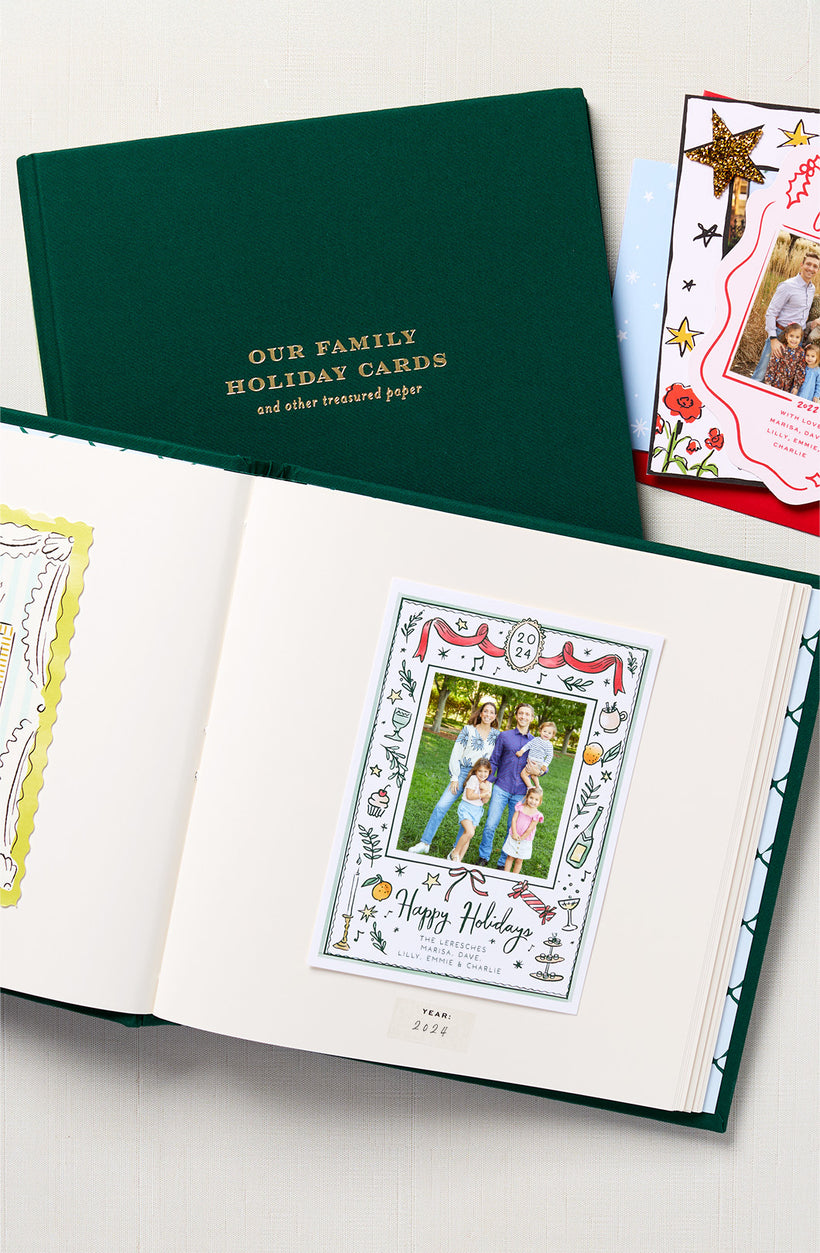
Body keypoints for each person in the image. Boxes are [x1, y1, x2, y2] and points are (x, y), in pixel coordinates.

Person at [407, 698, 500, 856]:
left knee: (469, 814)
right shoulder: (468, 730)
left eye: (491, 712)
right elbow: (456, 752)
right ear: (480, 713)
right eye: (485, 711)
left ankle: (455, 850)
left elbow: (498, 758)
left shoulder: (497, 735)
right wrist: (455, 777)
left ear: (495, 716)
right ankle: (425, 842)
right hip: (463, 772)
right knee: (441, 806)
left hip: (480, 777)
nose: (488, 714)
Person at [472, 702, 536, 868]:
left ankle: (502, 862)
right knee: (490, 825)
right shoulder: (504, 736)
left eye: (527, 714)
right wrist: (488, 782)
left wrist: (541, 771)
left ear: (532, 718)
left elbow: (543, 765)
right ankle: (484, 856)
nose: (523, 716)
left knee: (512, 827)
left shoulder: (535, 742)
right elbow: (494, 760)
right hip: (501, 787)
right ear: (516, 715)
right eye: (521, 713)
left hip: (521, 792)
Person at [751, 250, 819, 381]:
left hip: (797, 339)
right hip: (780, 335)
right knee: (761, 374)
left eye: (815, 266)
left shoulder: (812, 289)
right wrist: (773, 339)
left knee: (783, 378)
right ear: (801, 265)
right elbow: (771, 313)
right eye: (808, 264)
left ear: (818, 270)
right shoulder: (788, 286)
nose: (811, 268)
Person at [450, 759, 493, 864]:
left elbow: (485, 801)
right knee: (470, 832)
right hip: (467, 808)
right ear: (476, 771)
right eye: (480, 771)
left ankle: (459, 859)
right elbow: (469, 796)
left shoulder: (488, 783)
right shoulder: (473, 779)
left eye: (485, 771)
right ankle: (455, 852)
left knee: (468, 836)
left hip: (477, 811)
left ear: (489, 772)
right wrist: (483, 794)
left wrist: (484, 789)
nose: (483, 774)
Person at [502, 787, 544, 875]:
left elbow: (530, 828)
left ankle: (514, 876)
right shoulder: (520, 807)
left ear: (540, 802)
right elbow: (514, 820)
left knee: (519, 860)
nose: (533, 801)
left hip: (525, 839)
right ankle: (505, 875)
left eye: (536, 800)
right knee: (510, 857)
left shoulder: (537, 815)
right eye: (531, 798)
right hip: (514, 835)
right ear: (527, 797)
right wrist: (514, 833)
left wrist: (522, 837)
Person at [763, 323, 806, 394]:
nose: (794, 339)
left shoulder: (801, 352)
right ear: (786, 336)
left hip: (788, 386)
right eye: (791, 336)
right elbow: (772, 365)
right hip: (776, 381)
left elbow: (800, 370)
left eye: (797, 337)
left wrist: (796, 386)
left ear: (801, 338)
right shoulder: (781, 348)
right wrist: (768, 381)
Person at [514, 720, 557, 790]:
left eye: (549, 733)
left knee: (523, 774)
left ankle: (530, 787)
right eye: (545, 731)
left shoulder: (549, 745)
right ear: (540, 731)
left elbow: (550, 756)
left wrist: (545, 765)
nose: (546, 734)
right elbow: (528, 745)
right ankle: (538, 787)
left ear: (552, 735)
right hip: (531, 760)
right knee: (533, 776)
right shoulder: (536, 740)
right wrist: (521, 751)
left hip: (538, 762)